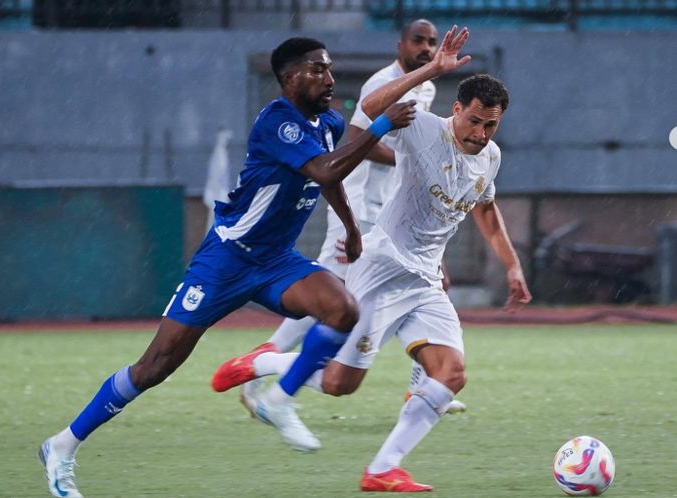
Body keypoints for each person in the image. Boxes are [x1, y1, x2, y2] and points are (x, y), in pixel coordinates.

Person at [38, 37, 416, 498]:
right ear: (289, 78)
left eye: (330, 69)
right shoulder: (278, 121)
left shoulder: (329, 123)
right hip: (227, 260)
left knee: (342, 309)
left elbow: (330, 175)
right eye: (318, 70)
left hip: (276, 260)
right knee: (155, 366)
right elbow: (324, 172)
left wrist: (351, 228)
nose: (330, 79)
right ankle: (62, 446)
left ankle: (280, 397)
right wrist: (379, 125)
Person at [211, 26, 532, 492]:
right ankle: (260, 364)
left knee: (452, 373)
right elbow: (370, 110)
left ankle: (382, 469)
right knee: (341, 383)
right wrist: (433, 69)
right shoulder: (424, 128)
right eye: (475, 121)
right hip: (382, 265)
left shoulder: (491, 156)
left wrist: (511, 264)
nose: (480, 134)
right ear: (456, 109)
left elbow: (484, 208)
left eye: (492, 125)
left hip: (423, 279)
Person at [234, 19, 465, 416]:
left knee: (420, 285)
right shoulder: (381, 83)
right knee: (335, 298)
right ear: (400, 45)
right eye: (418, 41)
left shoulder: (425, 85)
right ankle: (259, 366)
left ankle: (422, 384)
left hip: (389, 209)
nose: (426, 48)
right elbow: (358, 139)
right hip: (357, 207)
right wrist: (411, 162)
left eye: (431, 42)